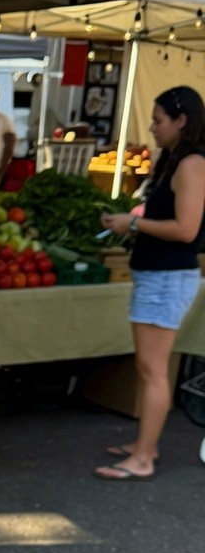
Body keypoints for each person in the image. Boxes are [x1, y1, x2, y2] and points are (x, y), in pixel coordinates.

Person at [95, 85, 205, 481]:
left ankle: (143, 458)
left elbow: (187, 228)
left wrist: (134, 223)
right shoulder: (175, 160)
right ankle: (146, 444)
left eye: (159, 120)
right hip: (158, 275)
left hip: (169, 277)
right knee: (148, 367)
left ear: (182, 120)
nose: (152, 127)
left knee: (154, 369)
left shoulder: (192, 164)